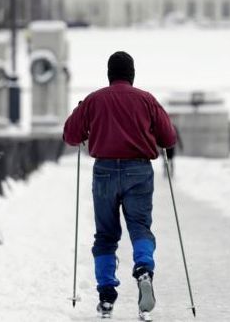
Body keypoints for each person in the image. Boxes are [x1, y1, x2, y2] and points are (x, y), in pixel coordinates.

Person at [63, 51, 177, 320]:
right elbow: (168, 137)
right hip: (138, 170)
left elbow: (70, 135)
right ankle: (144, 269)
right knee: (140, 227)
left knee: (105, 235)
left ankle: (106, 297)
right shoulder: (147, 100)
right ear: (132, 74)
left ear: (109, 74)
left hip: (104, 171)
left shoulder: (94, 100)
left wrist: (84, 116)